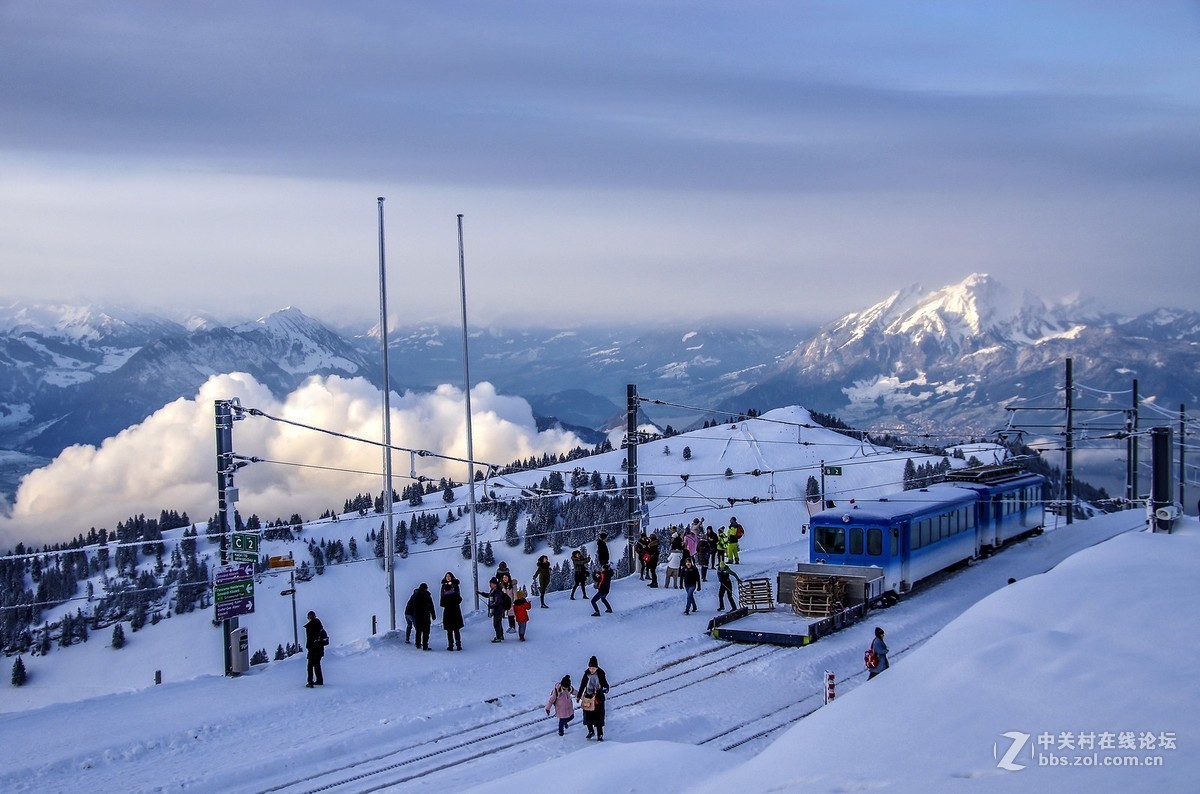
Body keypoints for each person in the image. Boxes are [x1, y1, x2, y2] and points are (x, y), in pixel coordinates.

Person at [577, 655, 611, 741]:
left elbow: (605, 684)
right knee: (587, 716)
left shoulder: (601, 673)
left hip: (598, 698)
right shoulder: (586, 674)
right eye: (590, 668)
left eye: (593, 668)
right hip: (588, 697)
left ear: (596, 668)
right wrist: (578, 696)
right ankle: (591, 731)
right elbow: (582, 685)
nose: (591, 670)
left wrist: (605, 689)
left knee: (599, 717)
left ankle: (600, 734)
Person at [404, 583, 436, 650]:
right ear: (426, 588)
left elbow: (411, 605)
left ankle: (418, 644)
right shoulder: (427, 595)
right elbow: (431, 606)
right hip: (425, 616)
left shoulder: (415, 595)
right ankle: (425, 646)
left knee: (418, 630)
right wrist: (433, 615)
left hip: (417, 616)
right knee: (426, 631)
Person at [477, 577, 507, 642]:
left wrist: (491, 606)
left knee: (496, 624)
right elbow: (489, 595)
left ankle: (498, 637)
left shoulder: (497, 591)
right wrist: (481, 593)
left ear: (495, 584)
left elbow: (497, 602)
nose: (490, 585)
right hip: (498, 610)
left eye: (491, 583)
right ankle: (501, 635)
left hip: (498, 610)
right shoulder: (494, 590)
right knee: (499, 623)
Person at [440, 572, 464, 651]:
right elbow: (459, 599)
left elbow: (442, 603)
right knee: (453, 630)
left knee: (452, 630)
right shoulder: (446, 587)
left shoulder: (454, 586)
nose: (448, 577)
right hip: (452, 610)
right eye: (447, 576)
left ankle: (454, 645)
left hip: (451, 611)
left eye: (449, 576)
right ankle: (454, 645)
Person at [304, 610, 327, 687]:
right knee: (317, 664)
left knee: (310, 665)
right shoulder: (319, 626)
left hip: (313, 649)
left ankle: (310, 681)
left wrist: (309, 646)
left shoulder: (311, 626)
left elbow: (310, 639)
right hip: (319, 649)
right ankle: (319, 680)